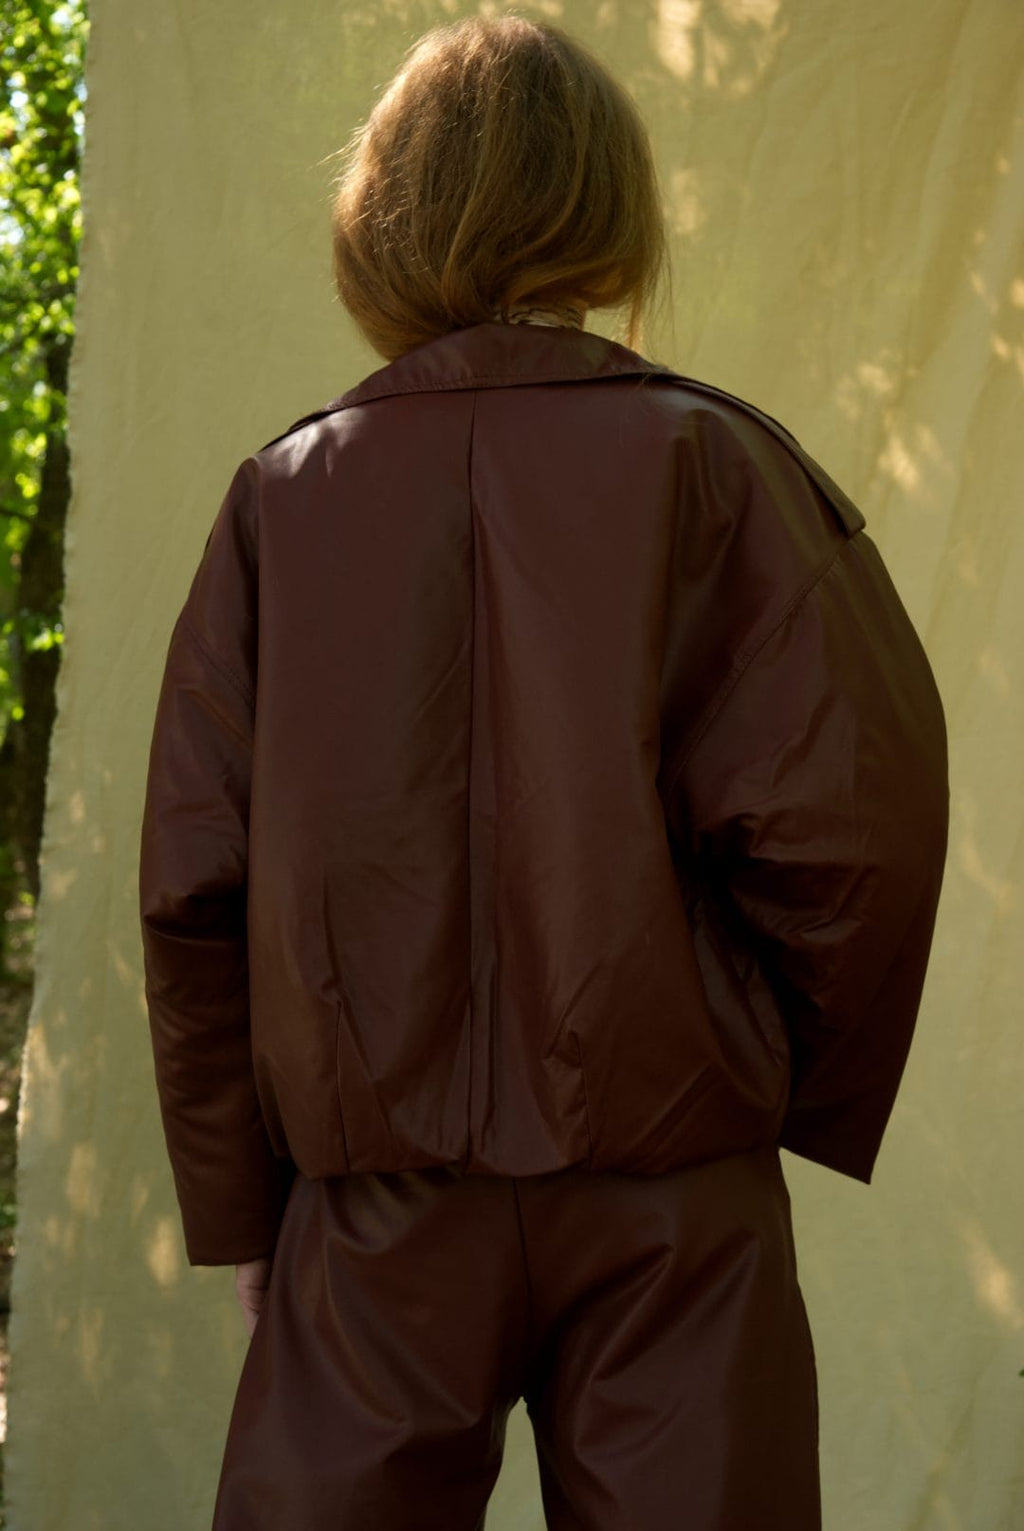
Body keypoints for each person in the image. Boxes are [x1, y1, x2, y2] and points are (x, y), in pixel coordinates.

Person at [137, 13, 949, 1531]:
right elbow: (862, 823)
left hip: (376, 1213)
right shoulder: (722, 468)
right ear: (609, 214)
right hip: (674, 1196)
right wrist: (762, 1084)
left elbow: (198, 879)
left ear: (383, 221)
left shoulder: (283, 501)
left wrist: (247, 1207)